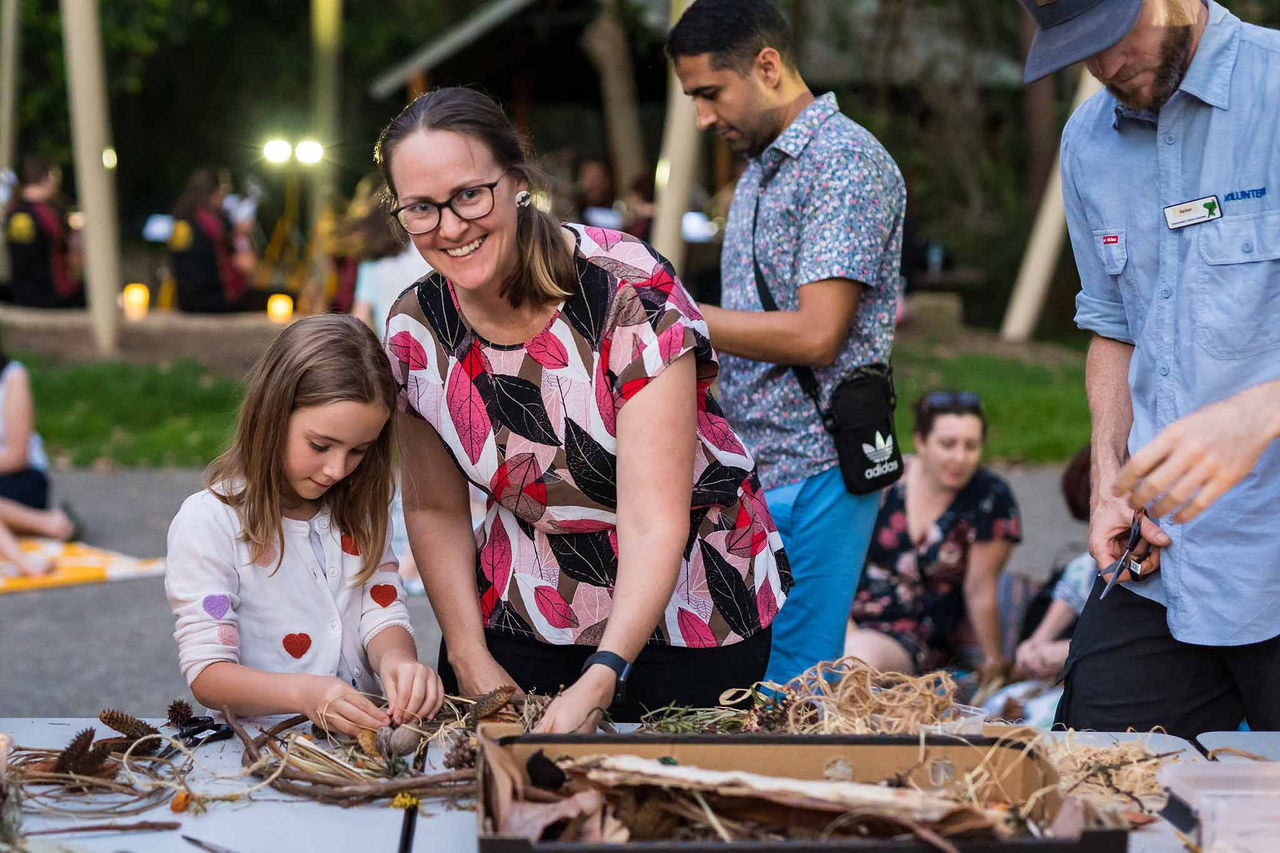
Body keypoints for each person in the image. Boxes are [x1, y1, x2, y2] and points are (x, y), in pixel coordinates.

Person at [376, 86, 789, 733]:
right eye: (421, 208)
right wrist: (467, 651)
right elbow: (433, 506)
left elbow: (652, 518)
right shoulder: (414, 329)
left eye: (468, 195)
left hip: (689, 602)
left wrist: (603, 674)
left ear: (516, 181)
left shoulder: (623, 288)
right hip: (524, 601)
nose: (451, 227)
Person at [1021, 0, 1280, 737]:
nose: (1103, 67)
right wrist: (1106, 474)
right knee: (1089, 789)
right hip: (1163, 561)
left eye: (1111, 38)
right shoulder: (1086, 142)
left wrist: (1259, 412)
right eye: (1080, 51)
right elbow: (1113, 325)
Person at [667, 0, 906, 683]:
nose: (704, 117)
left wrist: (675, 316)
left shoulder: (846, 162)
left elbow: (816, 333)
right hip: (755, 469)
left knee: (794, 684)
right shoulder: (761, 171)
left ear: (767, 66)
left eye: (710, 93)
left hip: (819, 463)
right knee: (739, 678)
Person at [165, 315, 443, 734]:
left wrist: (397, 662)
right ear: (272, 415)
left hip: (360, 743)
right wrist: (304, 695)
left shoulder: (361, 509)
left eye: (359, 451)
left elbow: (381, 609)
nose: (336, 469)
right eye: (320, 445)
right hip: (267, 750)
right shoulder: (209, 522)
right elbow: (208, 673)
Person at [845, 392, 1021, 676]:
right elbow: (842, 560)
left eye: (971, 446)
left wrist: (994, 663)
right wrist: (842, 624)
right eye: (948, 444)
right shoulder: (887, 481)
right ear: (921, 442)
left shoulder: (989, 497)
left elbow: (980, 588)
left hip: (912, 636)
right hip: (844, 616)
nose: (960, 457)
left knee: (856, 658)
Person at [169, 168, 257, 313]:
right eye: (222, 189)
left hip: (223, 291)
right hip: (198, 296)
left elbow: (235, 254)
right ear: (211, 191)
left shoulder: (222, 219)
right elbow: (182, 262)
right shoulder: (185, 220)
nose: (224, 194)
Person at [4, 155, 83, 309]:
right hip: (51, 295)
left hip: (19, 293)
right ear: (49, 178)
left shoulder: (11, 212)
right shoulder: (49, 214)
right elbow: (70, 254)